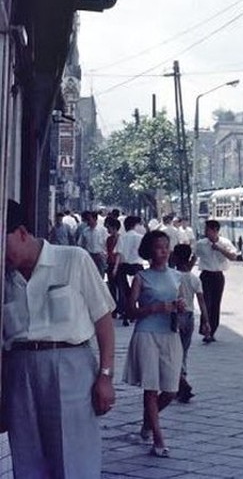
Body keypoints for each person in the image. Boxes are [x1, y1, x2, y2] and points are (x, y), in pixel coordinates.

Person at [2, 199, 116, 478]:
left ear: (21, 232)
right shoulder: (4, 277)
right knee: (27, 457)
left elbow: (103, 321)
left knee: (74, 456)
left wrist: (105, 376)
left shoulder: (73, 259)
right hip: (19, 370)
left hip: (70, 366)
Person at [122, 230, 184, 458]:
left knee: (170, 390)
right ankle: (158, 436)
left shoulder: (177, 276)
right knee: (151, 388)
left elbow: (182, 304)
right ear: (150, 251)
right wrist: (155, 308)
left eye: (166, 247)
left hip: (170, 333)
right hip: (146, 333)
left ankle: (148, 422)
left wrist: (180, 307)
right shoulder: (141, 277)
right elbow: (129, 311)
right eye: (159, 247)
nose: (164, 251)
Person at [172, 244, 210, 403]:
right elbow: (202, 302)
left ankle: (180, 384)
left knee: (174, 352)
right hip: (189, 317)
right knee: (184, 351)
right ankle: (182, 380)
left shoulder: (172, 276)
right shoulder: (194, 278)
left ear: (175, 258)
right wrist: (206, 321)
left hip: (176, 316)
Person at [195, 219, 238, 343]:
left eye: (207, 230)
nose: (205, 232)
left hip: (218, 276)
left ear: (215, 231)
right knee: (206, 303)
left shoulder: (225, 242)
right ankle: (206, 330)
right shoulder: (201, 243)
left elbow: (233, 256)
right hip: (205, 276)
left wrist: (219, 248)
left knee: (215, 304)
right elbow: (194, 256)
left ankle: (212, 330)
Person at [113, 215, 146, 327]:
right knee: (137, 292)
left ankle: (127, 316)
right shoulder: (140, 237)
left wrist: (115, 268)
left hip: (123, 267)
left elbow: (119, 254)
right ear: (134, 225)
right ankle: (137, 314)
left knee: (126, 293)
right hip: (137, 266)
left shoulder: (122, 237)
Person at [77, 210, 109, 276]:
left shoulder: (102, 230)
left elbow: (107, 243)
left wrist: (105, 254)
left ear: (95, 219)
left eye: (89, 219)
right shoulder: (85, 231)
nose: (88, 221)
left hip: (100, 255)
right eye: (87, 219)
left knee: (100, 274)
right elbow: (80, 244)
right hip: (89, 255)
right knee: (90, 274)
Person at [105, 217, 122, 318]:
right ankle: (114, 308)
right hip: (110, 264)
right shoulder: (109, 239)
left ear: (114, 228)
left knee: (120, 287)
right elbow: (108, 252)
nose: (108, 230)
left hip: (118, 265)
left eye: (109, 227)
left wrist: (116, 267)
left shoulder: (121, 239)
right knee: (112, 288)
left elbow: (119, 254)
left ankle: (120, 308)